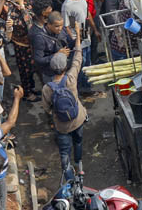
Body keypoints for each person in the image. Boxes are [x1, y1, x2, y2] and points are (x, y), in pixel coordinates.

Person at [41, 22, 86, 177]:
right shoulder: (71, 78)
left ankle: (69, 179)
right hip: (78, 119)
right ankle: (79, 165)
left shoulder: (47, 88)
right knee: (78, 142)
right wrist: (78, 35)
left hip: (61, 125)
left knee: (64, 152)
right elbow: (78, 57)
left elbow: (46, 108)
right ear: (65, 67)